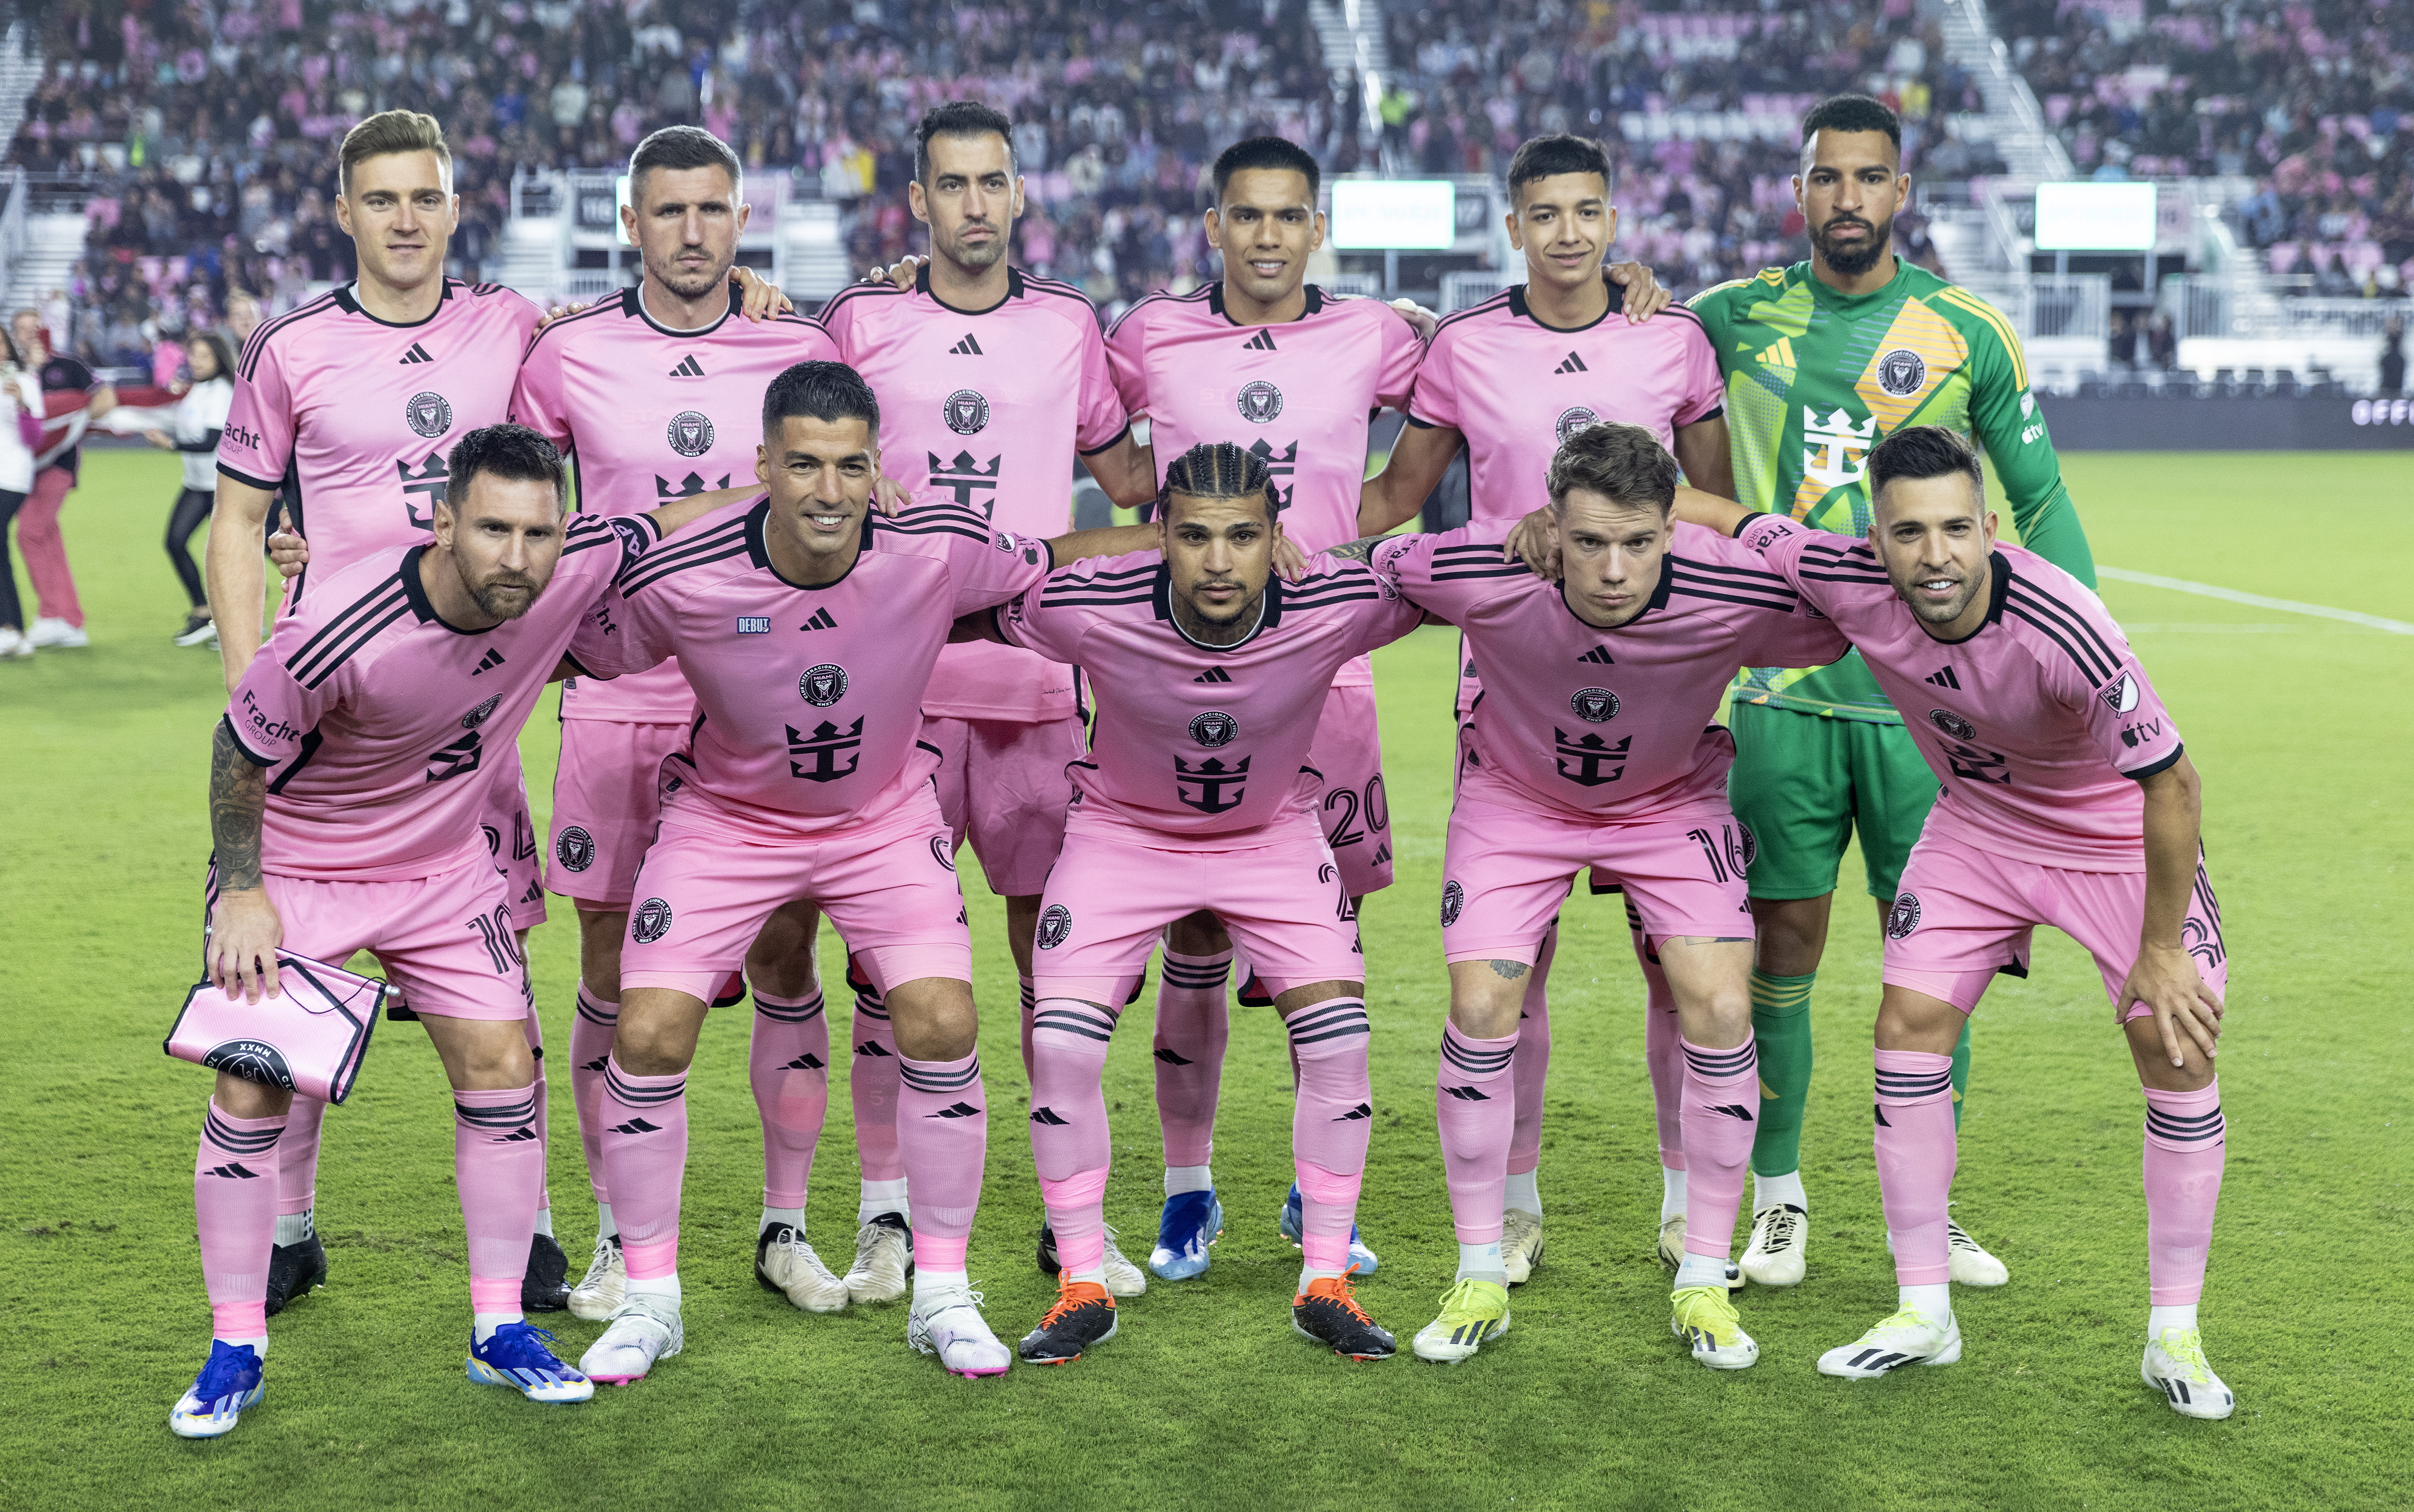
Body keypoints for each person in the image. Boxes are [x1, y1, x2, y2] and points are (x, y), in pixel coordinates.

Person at [557, 361, 1155, 1382]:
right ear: (762, 469)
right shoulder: (686, 572)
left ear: (879, 469)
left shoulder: (934, 548)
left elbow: (1056, 557)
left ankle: (942, 1293)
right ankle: (650, 1299)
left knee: (941, 1019)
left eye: (847, 467)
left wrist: (1188, 538)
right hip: (727, 819)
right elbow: (573, 638)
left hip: (878, 818)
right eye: (801, 466)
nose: (827, 491)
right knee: (647, 1028)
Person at [175, 423, 726, 1438]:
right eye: (492, 531)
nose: (517, 558)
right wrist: (243, 894)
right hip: (303, 865)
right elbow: (236, 753)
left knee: (502, 1066)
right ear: (442, 525)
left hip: (440, 867)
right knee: (252, 1082)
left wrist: (779, 489)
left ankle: (499, 1328)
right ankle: (234, 1347)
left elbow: (664, 520)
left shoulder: (562, 571)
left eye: (537, 533)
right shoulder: (339, 628)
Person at [1676, 426, 2234, 1419]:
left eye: (1952, 529)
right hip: (1977, 832)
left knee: (2178, 1051)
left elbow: (2173, 785)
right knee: (1907, 1032)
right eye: (1907, 533)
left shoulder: (2065, 624)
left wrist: (2159, 951)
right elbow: (1726, 516)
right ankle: (1923, 1311)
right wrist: (1580, 515)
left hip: (2108, 839)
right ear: (1875, 536)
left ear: (1986, 525)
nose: (1933, 556)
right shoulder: (1841, 574)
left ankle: (2173, 1336)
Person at [1685, 94, 2100, 1289]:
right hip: (1781, 695)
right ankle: (1778, 1192)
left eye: (1871, 179)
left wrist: (2079, 659)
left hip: (1940, 713)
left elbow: (2044, 501)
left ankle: (1931, 1204)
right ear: (1800, 190)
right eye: (1829, 179)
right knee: (1784, 942)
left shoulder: (1964, 332)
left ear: (1899, 193)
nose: (1849, 199)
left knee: (1942, 962)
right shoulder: (1726, 318)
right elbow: (1606, 338)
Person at [1367, 422, 1846, 1367]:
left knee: (1716, 1001)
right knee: (1481, 999)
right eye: (1588, 542)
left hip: (1668, 804)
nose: (1614, 570)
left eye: (1637, 542)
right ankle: (1478, 1271)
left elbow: (1839, 609)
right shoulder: (1486, 569)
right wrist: (1503, 526)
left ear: (1672, 530)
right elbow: (1384, 563)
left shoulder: (1727, 586)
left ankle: (1704, 1277)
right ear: (1552, 528)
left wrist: (1747, 527)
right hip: (1517, 800)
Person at [209, 110, 573, 1318]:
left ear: (453, 206)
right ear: (344, 211)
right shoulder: (292, 344)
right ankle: (289, 1232)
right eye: (381, 200)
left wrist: (763, 299)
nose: (405, 220)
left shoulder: (507, 321)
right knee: (298, 990)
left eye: (424, 197)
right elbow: (235, 522)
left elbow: (619, 360)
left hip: (466, 715)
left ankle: (528, 1233)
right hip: (332, 707)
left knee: (494, 982)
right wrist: (252, 680)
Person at [964, 441, 1428, 1365]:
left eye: (1245, 537)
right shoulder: (1086, 605)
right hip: (1123, 839)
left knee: (1340, 1038)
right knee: (1059, 1041)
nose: (1221, 561)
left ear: (1278, 540)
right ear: (1161, 538)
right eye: (1197, 537)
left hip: (1272, 837)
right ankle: (1082, 1283)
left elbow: (1473, 580)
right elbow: (944, 594)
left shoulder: (1339, 602)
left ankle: (1324, 1281)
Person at [1356, 132, 1722, 1284]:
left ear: (1613, 219)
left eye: (1587, 209)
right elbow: (1401, 499)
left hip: (1661, 685)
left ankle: (1683, 1202)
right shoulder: (1465, 346)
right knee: (1520, 964)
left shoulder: (1674, 338)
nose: (1568, 232)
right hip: (1512, 683)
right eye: (1544, 214)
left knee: (1681, 964)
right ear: (1512, 227)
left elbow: (1710, 500)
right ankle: (1512, 1207)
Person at [814, 100, 1161, 1301]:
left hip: (1034, 686)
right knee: (883, 966)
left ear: (1019, 196)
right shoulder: (859, 320)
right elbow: (798, 443)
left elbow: (1130, 479)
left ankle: (1076, 1223)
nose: (972, 204)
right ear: (916, 202)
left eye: (991, 183)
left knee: (1054, 967)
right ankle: (886, 1216)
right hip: (894, 688)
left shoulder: (1069, 324)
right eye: (950, 184)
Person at [507, 124, 846, 1324]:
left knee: (785, 956)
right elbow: (513, 511)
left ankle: (785, 1225)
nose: (692, 232)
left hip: (759, 703)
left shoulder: (799, 345)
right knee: (609, 970)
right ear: (632, 224)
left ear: (739, 220)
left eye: (712, 210)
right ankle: (613, 1239)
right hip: (617, 702)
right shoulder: (566, 356)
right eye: (669, 211)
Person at [1098, 135, 1429, 1280]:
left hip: (1324, 674)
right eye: (1248, 216)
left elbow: (1409, 468)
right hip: (1184, 670)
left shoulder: (1377, 334)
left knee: (1320, 951)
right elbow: (1125, 478)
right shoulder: (1147, 334)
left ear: (1317, 228)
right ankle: (1188, 1196)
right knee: (1192, 933)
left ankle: (1310, 1187)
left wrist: (1336, 550)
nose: (1270, 236)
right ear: (1213, 227)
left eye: (1291, 216)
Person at [13, 307, 115, 650]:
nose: (27, 335)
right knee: (47, 536)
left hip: (59, 463)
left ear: (44, 331)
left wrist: (72, 427)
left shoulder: (68, 366)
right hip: (24, 466)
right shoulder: (14, 373)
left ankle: (51, 615)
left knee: (30, 532)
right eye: (21, 329)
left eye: (32, 328)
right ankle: (71, 622)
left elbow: (106, 398)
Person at [146, 331, 236, 646]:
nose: (196, 362)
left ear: (218, 360)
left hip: (222, 487)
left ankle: (234, 619)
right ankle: (203, 611)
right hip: (197, 484)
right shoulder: (196, 390)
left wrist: (170, 444)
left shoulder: (222, 391)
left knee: (231, 556)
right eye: (194, 355)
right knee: (175, 542)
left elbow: (211, 442)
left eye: (205, 356)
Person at [0, 330, 44, 660]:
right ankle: (16, 632)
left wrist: (22, 403)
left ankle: (12, 629)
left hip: (12, 476)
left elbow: (35, 438)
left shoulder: (25, 381)